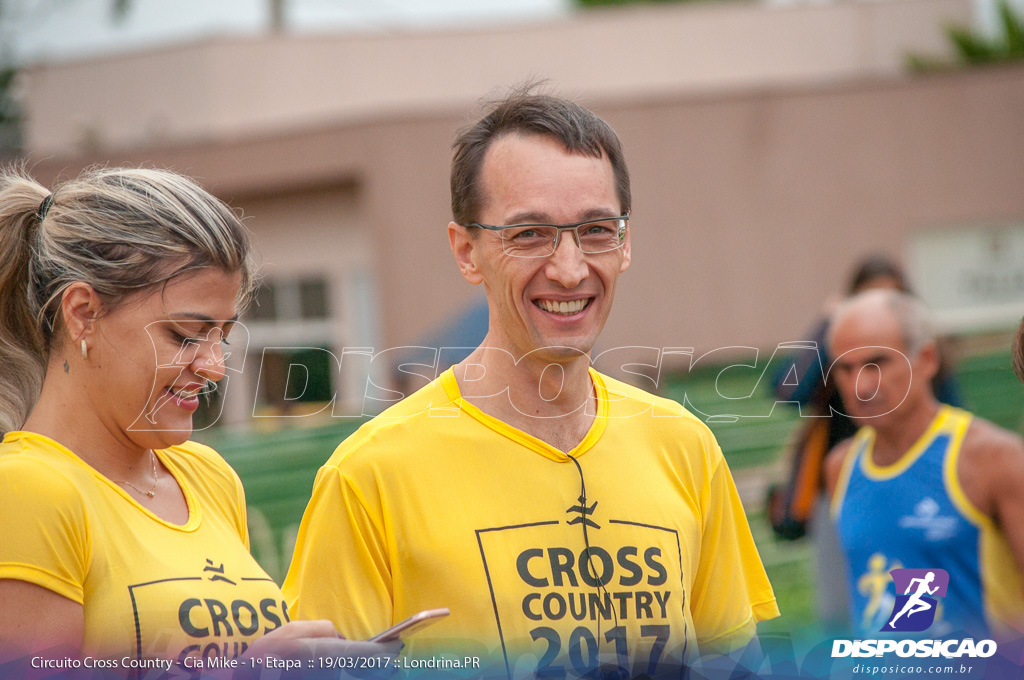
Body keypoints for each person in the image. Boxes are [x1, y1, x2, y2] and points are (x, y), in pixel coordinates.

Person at [282, 88, 778, 677]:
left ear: (625, 243)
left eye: (596, 229)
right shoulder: (368, 477)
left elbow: (735, 666)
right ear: (468, 251)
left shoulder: (684, 447)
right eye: (529, 234)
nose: (569, 269)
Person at [0, 166, 390, 666]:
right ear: (83, 313)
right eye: (185, 335)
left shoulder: (206, 477)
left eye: (222, 336)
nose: (214, 367)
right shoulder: (26, 491)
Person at [768, 256, 959, 629]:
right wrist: (828, 324)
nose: (865, 383)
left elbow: (952, 416)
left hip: (916, 488)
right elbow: (787, 389)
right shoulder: (841, 463)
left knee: (920, 620)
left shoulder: (922, 358)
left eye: (891, 302)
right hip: (847, 490)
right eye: (868, 302)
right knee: (845, 616)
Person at [824, 289, 1024, 638]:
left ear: (927, 359)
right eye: (845, 367)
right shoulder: (840, 467)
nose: (861, 384)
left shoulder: (994, 459)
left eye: (877, 363)